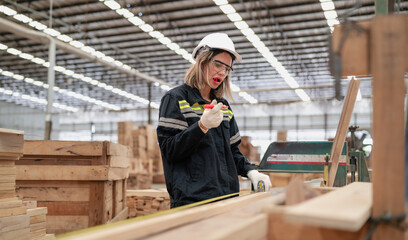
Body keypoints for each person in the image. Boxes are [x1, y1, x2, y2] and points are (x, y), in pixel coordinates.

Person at [156, 33, 271, 208]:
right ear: (202, 61)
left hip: (227, 199)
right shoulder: (176, 99)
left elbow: (233, 152)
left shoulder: (223, 106)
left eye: (227, 69)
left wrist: (251, 171)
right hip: (192, 203)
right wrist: (201, 127)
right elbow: (170, 150)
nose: (222, 72)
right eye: (217, 64)